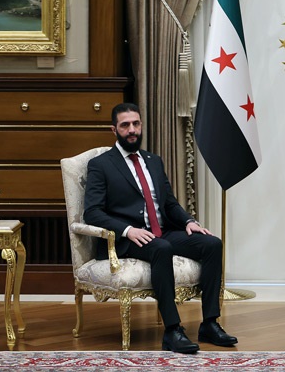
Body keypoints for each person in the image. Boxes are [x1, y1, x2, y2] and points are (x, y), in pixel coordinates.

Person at [84, 102, 237, 354]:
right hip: (128, 238)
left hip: (161, 232)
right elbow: (92, 212)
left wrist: (188, 222)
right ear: (114, 129)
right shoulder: (101, 165)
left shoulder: (153, 161)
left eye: (136, 124)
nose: (132, 130)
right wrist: (128, 230)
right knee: (161, 248)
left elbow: (169, 203)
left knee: (212, 244)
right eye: (125, 125)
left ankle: (210, 323)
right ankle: (172, 330)